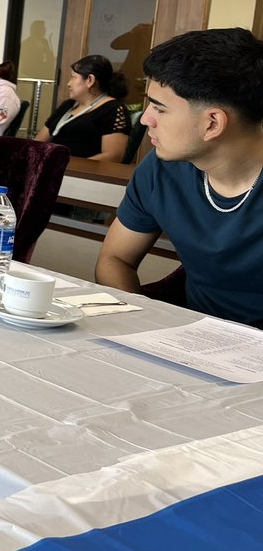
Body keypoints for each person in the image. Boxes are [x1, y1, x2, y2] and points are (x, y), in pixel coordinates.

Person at [96, 28, 263, 328]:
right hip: (191, 342)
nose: (146, 119)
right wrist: (142, 327)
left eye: (159, 108)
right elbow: (115, 260)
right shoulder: (160, 170)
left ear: (212, 123)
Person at [35, 54, 130, 160]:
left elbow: (113, 156)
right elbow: (38, 142)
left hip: (79, 173)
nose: (68, 84)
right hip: (54, 168)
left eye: (73, 77)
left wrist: (67, 167)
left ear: (90, 80)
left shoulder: (114, 109)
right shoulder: (68, 105)